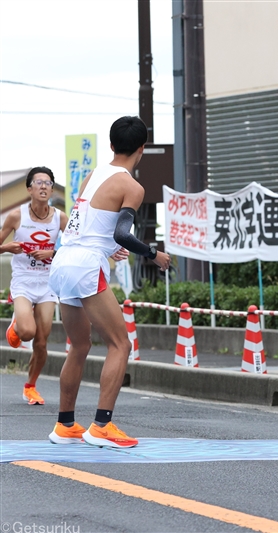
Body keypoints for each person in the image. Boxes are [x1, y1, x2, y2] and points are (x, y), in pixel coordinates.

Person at [47, 116, 170, 448]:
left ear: (112, 145)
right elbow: (121, 232)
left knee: (80, 345)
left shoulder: (93, 175)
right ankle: (101, 425)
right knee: (121, 344)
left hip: (63, 261)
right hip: (86, 265)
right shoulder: (132, 186)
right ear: (141, 149)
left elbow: (91, 223)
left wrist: (111, 247)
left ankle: (65, 425)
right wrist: (152, 253)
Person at [0, 167, 66, 404]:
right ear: (29, 189)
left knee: (41, 340)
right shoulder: (17, 216)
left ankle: (30, 386)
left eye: (48, 183)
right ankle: (17, 326)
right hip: (23, 282)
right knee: (28, 332)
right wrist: (8, 247)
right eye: (38, 182)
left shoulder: (60, 218)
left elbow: (75, 246)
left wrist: (53, 251)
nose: (43, 186)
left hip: (48, 282)